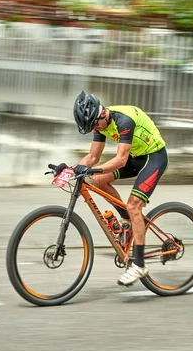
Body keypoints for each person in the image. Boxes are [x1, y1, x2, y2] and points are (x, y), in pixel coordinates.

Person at [70, 90, 169, 287]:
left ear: (101, 114)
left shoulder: (124, 121)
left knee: (134, 206)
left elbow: (120, 159)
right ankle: (127, 219)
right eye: (90, 127)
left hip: (153, 158)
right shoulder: (99, 124)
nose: (94, 129)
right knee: (98, 180)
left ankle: (139, 265)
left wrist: (91, 170)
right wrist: (71, 170)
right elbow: (92, 157)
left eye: (94, 125)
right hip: (135, 157)